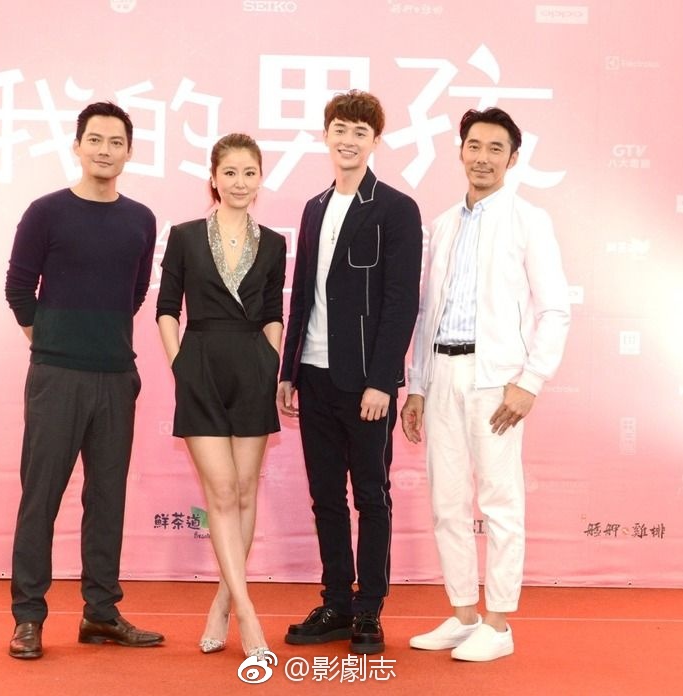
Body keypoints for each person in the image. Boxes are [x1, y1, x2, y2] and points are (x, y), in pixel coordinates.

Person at [401, 107, 570, 662]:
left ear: (513, 159)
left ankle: (498, 624)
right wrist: (417, 385)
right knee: (446, 501)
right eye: (474, 146)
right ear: (460, 152)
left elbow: (554, 308)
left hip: (497, 381)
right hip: (441, 375)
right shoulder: (444, 224)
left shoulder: (529, 221)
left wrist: (531, 381)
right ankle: (463, 615)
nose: (482, 157)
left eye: (496, 148)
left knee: (499, 501)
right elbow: (427, 311)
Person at [4, 101, 162, 660]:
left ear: (129, 152)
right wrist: (53, 342)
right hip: (57, 377)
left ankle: (101, 613)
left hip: (117, 377)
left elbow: (136, 293)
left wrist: (100, 342)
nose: (104, 150)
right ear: (77, 146)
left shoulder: (141, 219)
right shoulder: (45, 212)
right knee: (40, 498)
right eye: (94, 139)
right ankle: (28, 617)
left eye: (115, 142)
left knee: (107, 499)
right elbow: (19, 290)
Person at [278, 90, 423, 655]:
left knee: (371, 496)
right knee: (325, 497)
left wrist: (383, 381)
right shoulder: (314, 207)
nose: (348, 140)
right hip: (313, 376)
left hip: (365, 383)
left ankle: (369, 610)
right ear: (326, 135)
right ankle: (337, 601)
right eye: (340, 128)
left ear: (375, 141)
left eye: (360, 132)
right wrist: (289, 369)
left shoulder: (395, 208)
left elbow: (401, 302)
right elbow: (302, 295)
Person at [156, 133, 286, 658]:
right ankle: (249, 614)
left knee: (246, 491)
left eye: (249, 173)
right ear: (213, 178)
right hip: (201, 367)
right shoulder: (184, 236)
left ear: (260, 179)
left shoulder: (273, 243)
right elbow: (167, 308)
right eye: (229, 172)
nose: (239, 182)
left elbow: (274, 311)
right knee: (223, 491)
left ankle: (222, 603)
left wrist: (270, 360)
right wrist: (180, 365)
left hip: (253, 368)